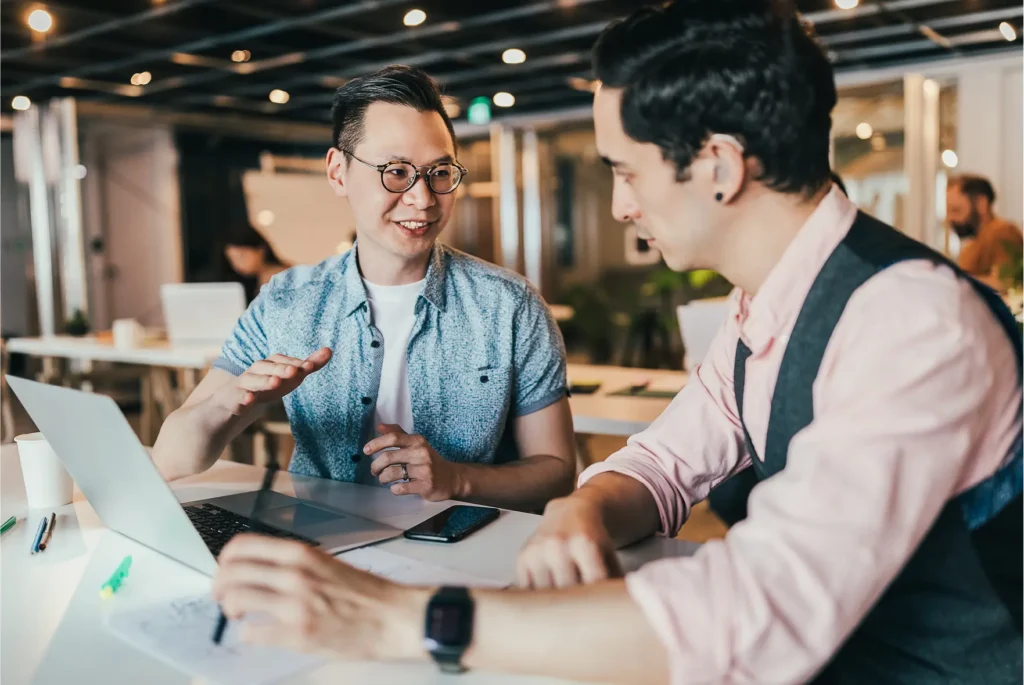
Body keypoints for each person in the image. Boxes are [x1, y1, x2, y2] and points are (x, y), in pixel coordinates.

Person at [211, 3, 1022, 683]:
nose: (620, 207)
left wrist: (403, 617)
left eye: (625, 171)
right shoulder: (765, 305)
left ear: (719, 166)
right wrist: (587, 507)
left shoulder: (912, 322)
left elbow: (761, 612)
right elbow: (665, 462)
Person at [152, 65, 575, 513]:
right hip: (320, 539)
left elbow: (557, 472)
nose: (422, 199)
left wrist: (458, 479)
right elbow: (172, 459)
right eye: (395, 171)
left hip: (465, 542)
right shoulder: (287, 301)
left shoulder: (509, 305)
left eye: (439, 172)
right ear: (339, 172)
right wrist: (231, 401)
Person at [947, 173, 1023, 291]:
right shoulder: (972, 244)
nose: (950, 218)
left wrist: (957, 281)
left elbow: (1005, 283)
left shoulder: (1003, 232)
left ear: (981, 203)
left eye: (956, 210)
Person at [223, 227, 288, 302]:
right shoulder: (253, 281)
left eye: (242, 256)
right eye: (232, 259)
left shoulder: (280, 276)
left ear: (260, 250)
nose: (238, 264)